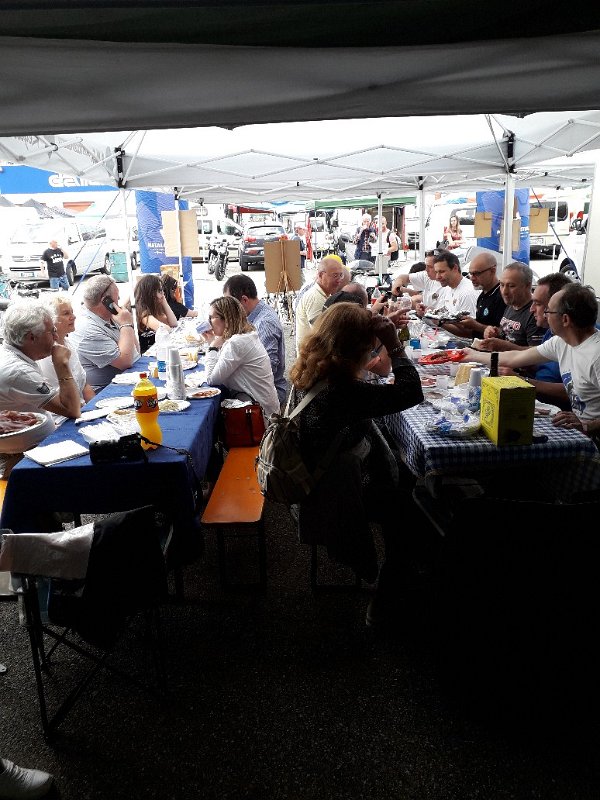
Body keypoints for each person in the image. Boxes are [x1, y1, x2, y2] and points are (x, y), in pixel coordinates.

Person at [289, 302, 424, 626]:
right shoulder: (343, 392)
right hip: (332, 494)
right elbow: (411, 391)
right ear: (357, 349)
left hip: (308, 479)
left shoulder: (311, 370)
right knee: (409, 510)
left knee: (403, 467)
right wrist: (393, 344)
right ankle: (387, 597)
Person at [462, 283, 600, 440]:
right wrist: (470, 355)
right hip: (579, 433)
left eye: (548, 311)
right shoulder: (561, 342)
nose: (545, 315)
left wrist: (588, 425)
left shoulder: (596, 355)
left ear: (565, 319)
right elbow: (515, 358)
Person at [0, 301, 81, 458]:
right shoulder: (18, 372)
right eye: (52, 332)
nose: (56, 337)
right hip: (22, 457)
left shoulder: (16, 356)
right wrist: (62, 365)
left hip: (33, 445)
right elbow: (72, 409)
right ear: (31, 337)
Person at [491, 272, 572, 409]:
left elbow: (575, 391)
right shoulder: (552, 333)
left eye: (538, 304)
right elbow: (533, 361)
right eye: (502, 285)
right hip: (536, 401)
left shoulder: (583, 342)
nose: (531, 309)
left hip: (555, 409)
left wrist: (522, 380)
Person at [203, 296, 279, 421]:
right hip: (264, 408)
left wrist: (212, 348)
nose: (209, 322)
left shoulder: (237, 343)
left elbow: (212, 379)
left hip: (258, 418)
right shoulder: (246, 336)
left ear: (226, 319)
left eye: (212, 317)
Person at [222, 273, 287, 404]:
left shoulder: (264, 323)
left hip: (266, 393)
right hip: (257, 388)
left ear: (244, 300)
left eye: (231, 305)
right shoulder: (254, 314)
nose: (228, 310)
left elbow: (268, 369)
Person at [70, 275, 140, 392]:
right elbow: (124, 362)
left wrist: (126, 325)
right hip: (106, 390)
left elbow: (136, 352)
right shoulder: (87, 328)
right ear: (106, 301)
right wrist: (126, 324)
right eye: (117, 296)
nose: (119, 299)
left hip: (129, 378)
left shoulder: (111, 316)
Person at [38, 292, 95, 425]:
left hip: (81, 411)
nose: (73, 317)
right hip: (62, 419)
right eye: (66, 313)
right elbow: (62, 402)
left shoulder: (69, 344)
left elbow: (84, 385)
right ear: (51, 320)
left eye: (72, 312)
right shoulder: (47, 354)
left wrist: (95, 408)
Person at [478, 261, 545, 350]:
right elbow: (509, 334)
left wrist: (506, 347)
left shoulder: (535, 313)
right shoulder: (511, 303)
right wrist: (494, 332)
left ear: (527, 286)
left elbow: (537, 353)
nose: (504, 292)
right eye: (502, 285)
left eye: (511, 286)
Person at [437, 251, 505, 337]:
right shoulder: (482, 296)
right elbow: (472, 333)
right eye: (471, 274)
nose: (472, 278)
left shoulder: (503, 296)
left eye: (476, 274)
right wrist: (443, 321)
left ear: (492, 271)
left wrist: (476, 325)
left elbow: (505, 334)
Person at [295, 255, 347, 353]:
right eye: (335, 275)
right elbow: (322, 335)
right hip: (312, 358)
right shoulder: (315, 298)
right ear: (320, 275)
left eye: (341, 275)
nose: (339, 280)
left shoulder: (325, 294)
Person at [420, 250, 478, 318]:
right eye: (436, 272)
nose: (437, 277)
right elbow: (449, 314)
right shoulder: (449, 288)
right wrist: (432, 312)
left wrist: (438, 320)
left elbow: (469, 324)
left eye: (442, 272)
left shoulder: (466, 293)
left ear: (455, 268)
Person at [133, 273, 178, 353]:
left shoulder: (153, 308)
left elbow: (173, 323)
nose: (163, 294)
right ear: (151, 293)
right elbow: (165, 330)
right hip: (142, 355)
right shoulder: (142, 312)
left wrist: (164, 301)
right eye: (160, 290)